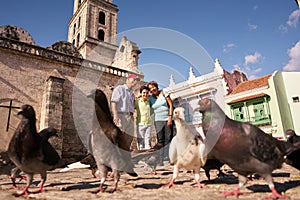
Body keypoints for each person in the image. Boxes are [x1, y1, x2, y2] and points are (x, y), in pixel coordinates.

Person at [147, 81, 174, 163]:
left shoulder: (164, 92)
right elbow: (149, 109)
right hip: (158, 120)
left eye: (153, 87)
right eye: (150, 89)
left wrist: (170, 117)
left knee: (169, 139)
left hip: (167, 119)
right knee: (160, 140)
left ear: (156, 86)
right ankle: (160, 159)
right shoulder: (150, 98)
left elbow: (171, 105)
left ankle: (171, 158)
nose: (152, 89)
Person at [111, 74, 140, 149]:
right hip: (121, 115)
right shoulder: (119, 89)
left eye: (136, 80)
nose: (135, 81)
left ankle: (125, 152)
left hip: (130, 116)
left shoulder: (132, 94)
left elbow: (132, 106)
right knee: (119, 135)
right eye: (133, 79)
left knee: (130, 135)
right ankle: (116, 153)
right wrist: (115, 115)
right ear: (127, 80)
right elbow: (114, 102)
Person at [134, 85, 152, 150]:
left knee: (147, 143)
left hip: (148, 124)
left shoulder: (149, 102)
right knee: (140, 143)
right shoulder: (137, 102)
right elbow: (132, 108)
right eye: (144, 92)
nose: (145, 94)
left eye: (147, 93)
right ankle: (141, 159)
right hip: (140, 124)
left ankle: (147, 158)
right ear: (141, 93)